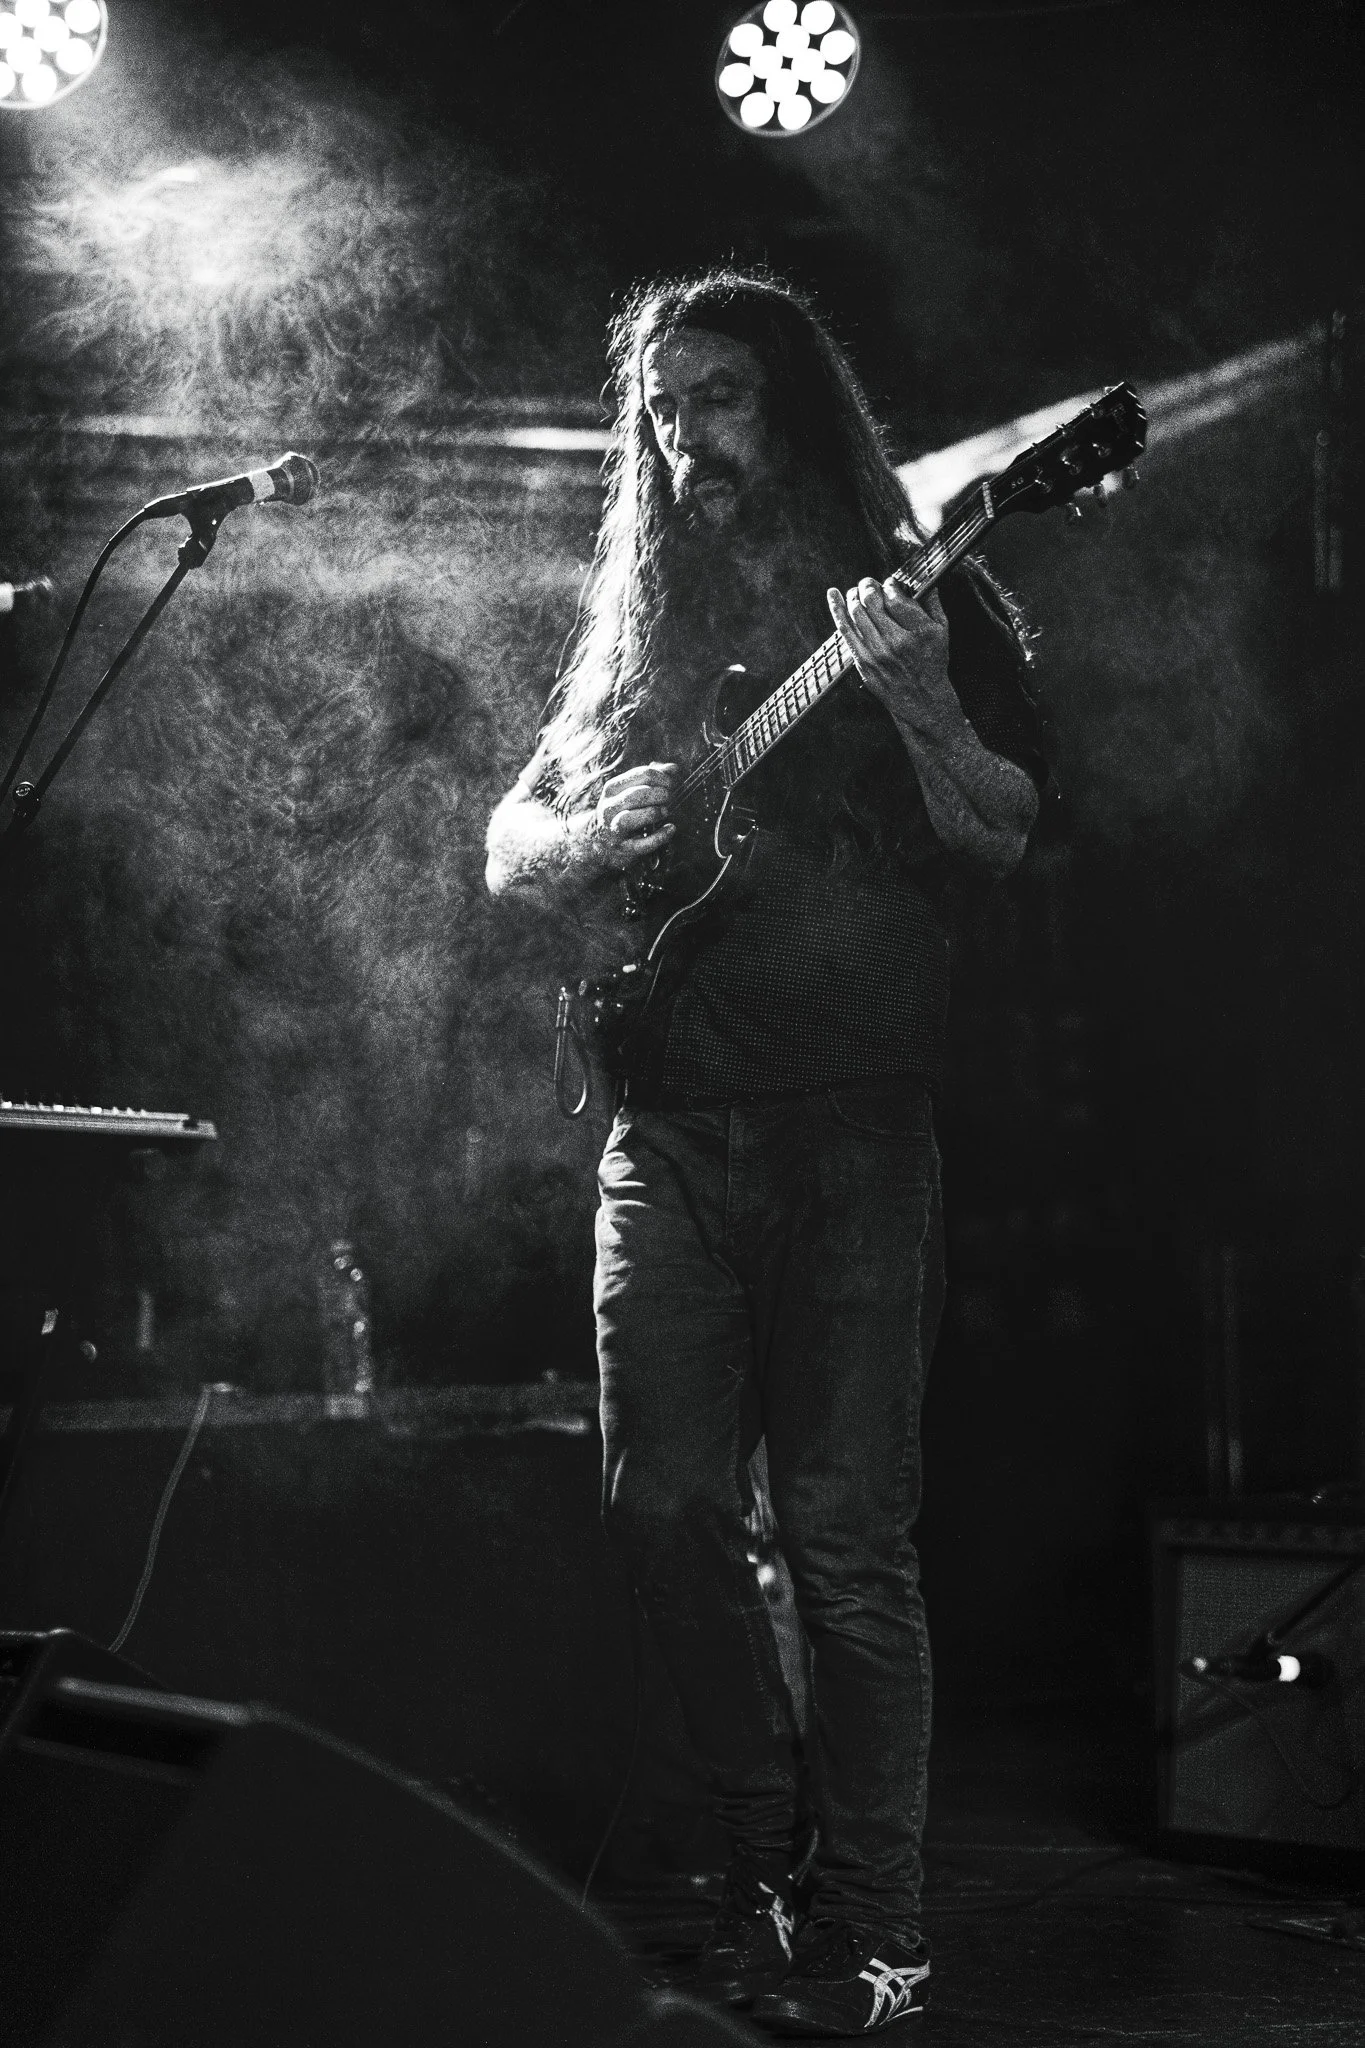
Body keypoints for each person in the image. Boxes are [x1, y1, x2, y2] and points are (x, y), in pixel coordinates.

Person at [485, 270, 1045, 2038]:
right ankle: (757, 1864)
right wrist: (572, 837)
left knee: (843, 1542)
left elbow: (1009, 833)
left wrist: (927, 704)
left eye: (713, 398)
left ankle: (873, 1930)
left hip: (853, 1136)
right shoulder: (635, 628)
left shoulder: (912, 600)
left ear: (793, 407)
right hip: (664, 1141)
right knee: (659, 1516)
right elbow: (505, 840)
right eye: (658, 403)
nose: (678, 432)